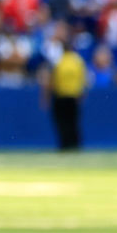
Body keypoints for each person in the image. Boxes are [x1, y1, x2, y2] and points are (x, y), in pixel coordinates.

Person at [38, 22, 87, 150]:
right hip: (74, 95)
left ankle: (65, 145)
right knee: (73, 122)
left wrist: (46, 97)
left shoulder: (58, 61)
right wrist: (81, 95)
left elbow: (50, 80)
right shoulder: (77, 60)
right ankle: (75, 145)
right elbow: (83, 80)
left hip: (60, 95)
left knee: (62, 122)